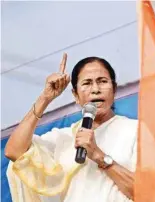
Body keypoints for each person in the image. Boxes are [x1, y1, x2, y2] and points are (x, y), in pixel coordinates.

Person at [5, 54, 138, 202]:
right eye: (87, 83)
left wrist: (99, 156)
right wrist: (45, 98)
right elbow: (14, 152)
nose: (95, 89)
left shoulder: (137, 131)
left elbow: (152, 193)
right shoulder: (63, 138)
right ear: (75, 95)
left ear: (114, 89)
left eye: (102, 81)